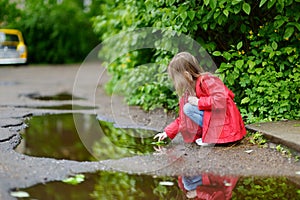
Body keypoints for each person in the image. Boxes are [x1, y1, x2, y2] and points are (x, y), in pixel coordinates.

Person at [154, 52, 246, 146]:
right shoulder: (188, 91)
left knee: (188, 108)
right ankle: (210, 135)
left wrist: (199, 102)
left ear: (186, 74)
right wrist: (167, 132)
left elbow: (222, 100)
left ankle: (213, 137)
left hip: (226, 125)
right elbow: (183, 119)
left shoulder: (207, 80)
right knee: (187, 108)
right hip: (217, 123)